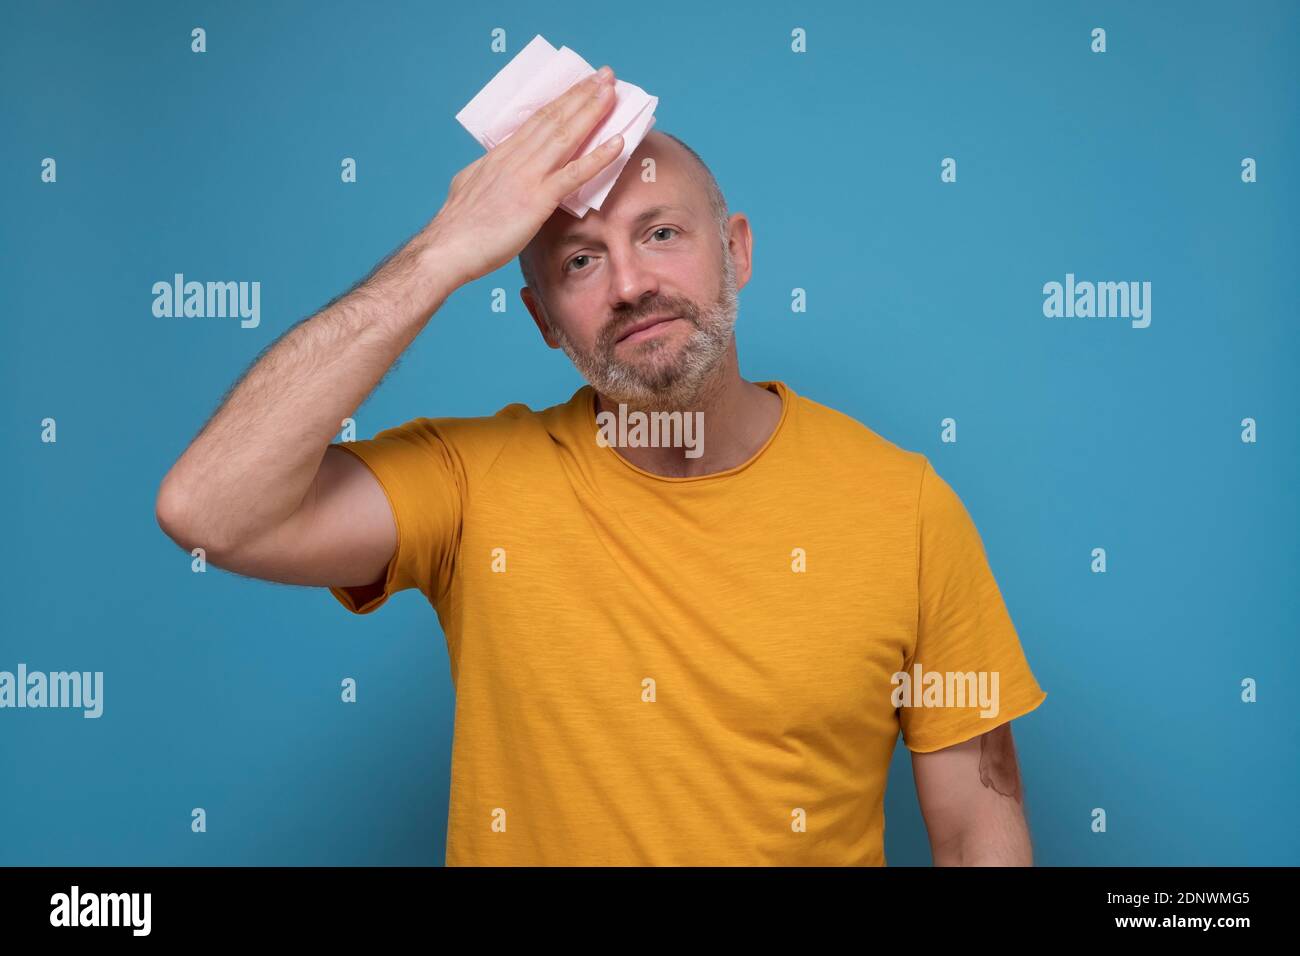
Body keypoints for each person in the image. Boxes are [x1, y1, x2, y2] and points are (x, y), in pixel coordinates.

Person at [156, 65, 1048, 866]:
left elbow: (977, 827)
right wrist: (439, 255)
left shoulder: (904, 507)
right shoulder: (470, 486)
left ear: (735, 250)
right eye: (581, 261)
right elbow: (210, 509)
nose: (628, 283)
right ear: (544, 319)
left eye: (661, 233)